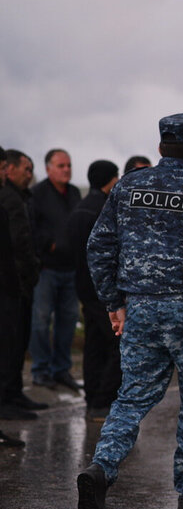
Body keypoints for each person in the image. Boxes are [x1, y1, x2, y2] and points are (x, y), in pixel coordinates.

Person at [76, 113, 183, 509]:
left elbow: (98, 246)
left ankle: (102, 468)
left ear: (159, 148)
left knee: (132, 396)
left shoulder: (127, 186)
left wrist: (114, 303)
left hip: (142, 309)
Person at [66, 160, 122, 422]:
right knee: (118, 344)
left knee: (93, 346)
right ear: (110, 181)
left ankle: (92, 399)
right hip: (105, 290)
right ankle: (102, 401)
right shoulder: (104, 210)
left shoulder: (79, 209)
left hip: (84, 288)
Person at [29, 148, 82, 390]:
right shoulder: (37, 194)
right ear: (48, 168)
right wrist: (47, 244)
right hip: (46, 269)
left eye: (69, 165)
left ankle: (61, 370)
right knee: (40, 321)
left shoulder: (72, 193)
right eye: (61, 166)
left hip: (70, 268)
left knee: (68, 321)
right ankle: (40, 370)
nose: (66, 170)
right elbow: (30, 226)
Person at [0, 149, 45, 418]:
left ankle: (14, 393)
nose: (29, 175)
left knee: (18, 341)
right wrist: (27, 272)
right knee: (9, 342)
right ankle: (6, 398)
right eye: (25, 169)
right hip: (12, 281)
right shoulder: (9, 199)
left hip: (20, 281)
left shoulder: (22, 198)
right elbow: (16, 244)